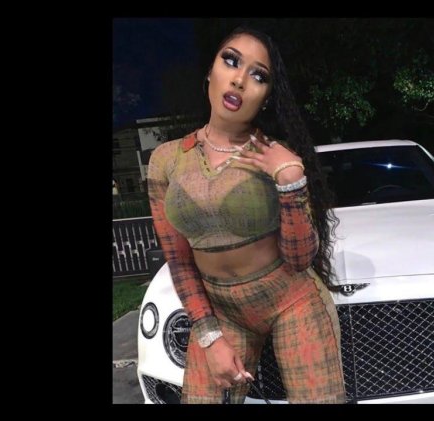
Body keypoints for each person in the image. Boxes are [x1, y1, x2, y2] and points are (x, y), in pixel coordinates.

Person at [147, 26, 346, 404]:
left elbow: (301, 259)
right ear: (210, 72)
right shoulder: (166, 159)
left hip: (293, 301)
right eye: (231, 61)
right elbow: (179, 259)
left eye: (259, 75)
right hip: (221, 311)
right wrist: (210, 337)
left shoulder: (276, 155)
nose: (239, 80)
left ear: (267, 97)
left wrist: (291, 183)